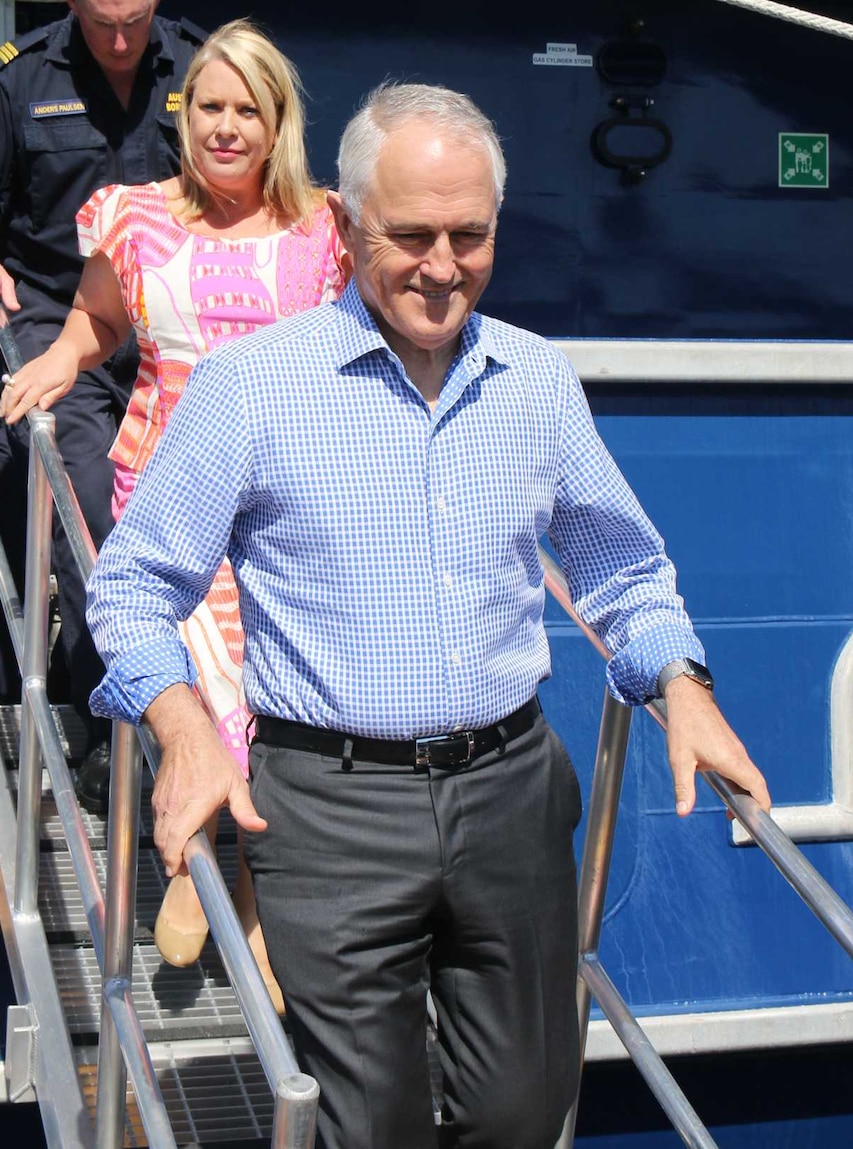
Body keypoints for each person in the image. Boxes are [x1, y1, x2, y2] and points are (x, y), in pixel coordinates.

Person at [84, 81, 771, 1149]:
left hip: (508, 793)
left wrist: (682, 687)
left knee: (521, 1112)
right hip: (328, 808)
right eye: (410, 235)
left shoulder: (536, 381)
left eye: (470, 235)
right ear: (349, 227)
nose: (442, 266)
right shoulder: (251, 388)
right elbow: (132, 585)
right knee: (375, 1123)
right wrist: (180, 733)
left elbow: (619, 567)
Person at [2, 18, 347, 1009]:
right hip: (167, 493)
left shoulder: (327, 229)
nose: (226, 126)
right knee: (192, 684)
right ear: (182, 117)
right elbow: (98, 322)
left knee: (278, 695)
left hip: (286, 501)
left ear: (276, 121)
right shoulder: (135, 217)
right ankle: (193, 849)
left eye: (247, 109)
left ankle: (247, 891)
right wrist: (58, 363)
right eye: (209, 107)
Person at [0, 0, 207, 812]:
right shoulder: (23, 78)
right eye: (103, 24)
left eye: (133, 22)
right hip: (61, 314)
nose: (121, 41)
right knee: (87, 501)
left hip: (171, 312)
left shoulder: (200, 66)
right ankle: (109, 711)